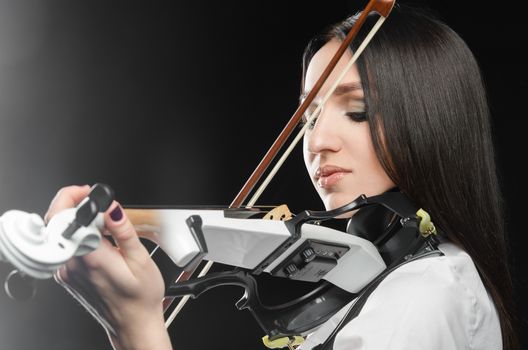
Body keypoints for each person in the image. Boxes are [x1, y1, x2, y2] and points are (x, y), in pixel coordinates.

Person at [45, 4, 518, 350]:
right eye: (309, 119)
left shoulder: (423, 293)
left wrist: (137, 328)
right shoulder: (388, 287)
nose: (316, 143)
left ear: (432, 122)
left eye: (357, 111)